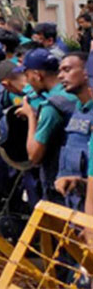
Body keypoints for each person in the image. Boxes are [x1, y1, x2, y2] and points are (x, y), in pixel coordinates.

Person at [16, 48, 69, 202]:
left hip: (59, 183)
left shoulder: (51, 106)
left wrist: (31, 116)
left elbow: (34, 155)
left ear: (37, 75)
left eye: (27, 76)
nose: (27, 81)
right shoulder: (73, 94)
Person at [54, 52, 92, 209]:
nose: (61, 76)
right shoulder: (75, 109)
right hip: (76, 203)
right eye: (60, 71)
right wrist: (78, 183)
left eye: (67, 70)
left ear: (86, 73)